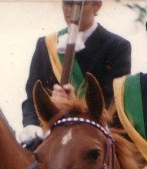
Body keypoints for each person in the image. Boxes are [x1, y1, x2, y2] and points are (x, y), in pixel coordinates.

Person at [17, 0, 132, 149]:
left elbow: (114, 105)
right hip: (49, 136)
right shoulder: (45, 44)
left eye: (78, 4)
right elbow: (32, 97)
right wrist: (31, 125)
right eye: (67, 3)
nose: (70, 10)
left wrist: (69, 105)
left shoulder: (117, 46)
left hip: (92, 138)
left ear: (97, 6)